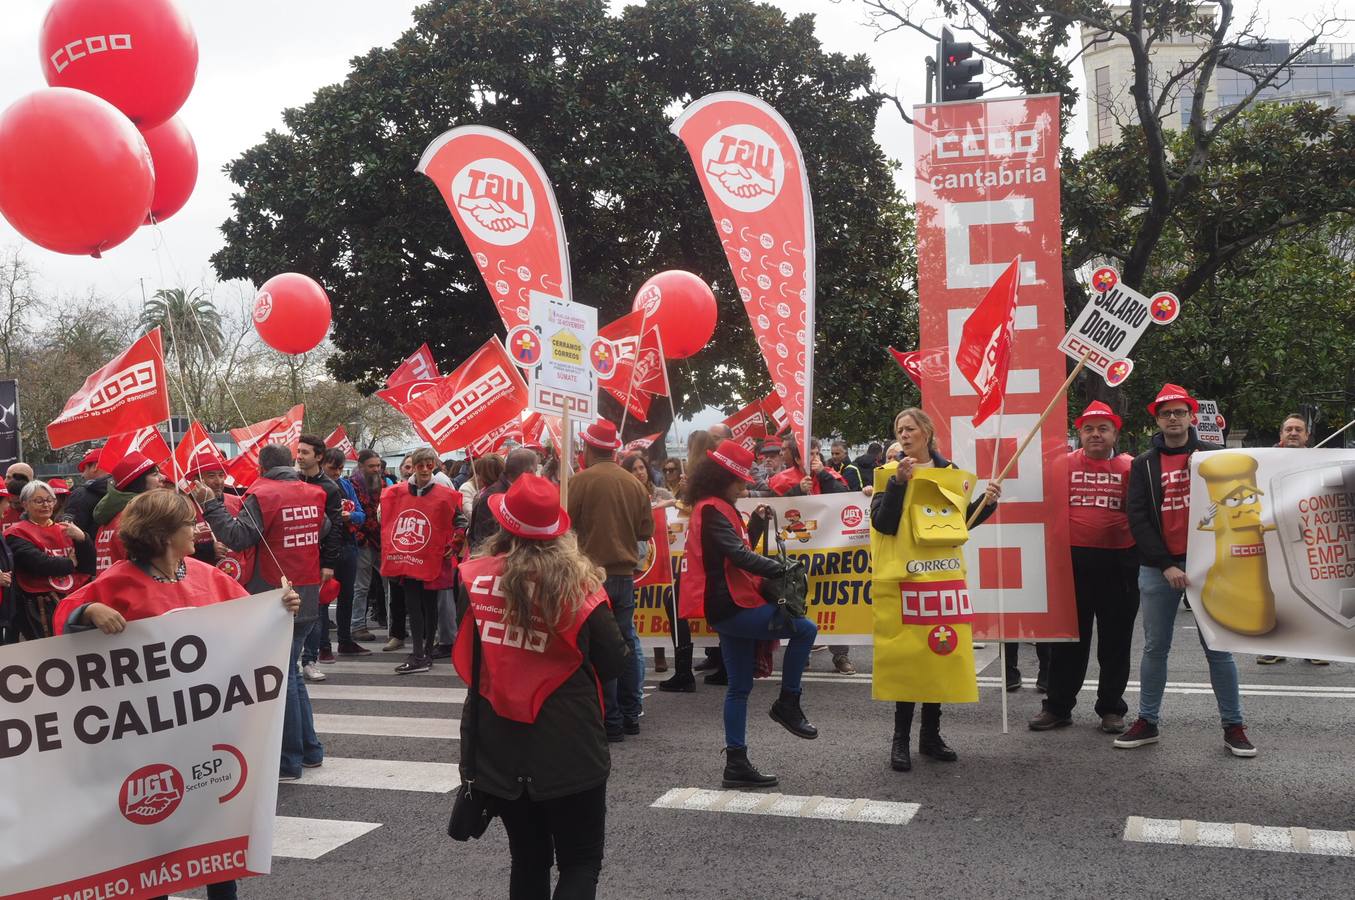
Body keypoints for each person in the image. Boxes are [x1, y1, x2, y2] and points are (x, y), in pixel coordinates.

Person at [53, 489, 301, 900]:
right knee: (156, 838)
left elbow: (248, 620)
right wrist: (89, 612)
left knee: (216, 828)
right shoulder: (117, 580)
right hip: (149, 740)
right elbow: (65, 617)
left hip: (207, 732)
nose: (197, 530)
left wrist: (279, 607)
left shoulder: (206, 575)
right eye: (188, 523)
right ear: (164, 533)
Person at [455, 474, 624, 899]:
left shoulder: (474, 579)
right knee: (580, 862)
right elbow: (614, 661)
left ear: (504, 526)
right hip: (571, 743)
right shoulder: (580, 587)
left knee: (528, 860)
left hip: (499, 742)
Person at [1117, 383, 1256, 757]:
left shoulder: (1215, 457)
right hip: (1159, 569)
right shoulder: (1144, 464)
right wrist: (1165, 565)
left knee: (1218, 649)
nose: (1173, 419)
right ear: (1158, 420)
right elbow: (1138, 518)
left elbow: (1235, 509)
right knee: (1155, 648)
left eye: (1179, 412)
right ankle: (1148, 721)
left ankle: (1234, 725)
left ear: (1191, 416)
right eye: (1166, 414)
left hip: (1208, 568)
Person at [678, 441, 818, 787]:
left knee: (738, 687)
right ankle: (788, 701)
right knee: (805, 630)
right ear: (723, 478)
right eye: (740, 480)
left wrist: (755, 524)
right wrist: (781, 570)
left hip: (728, 605)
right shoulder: (713, 509)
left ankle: (736, 764)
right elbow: (737, 556)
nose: (745, 486)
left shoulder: (716, 507)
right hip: (732, 605)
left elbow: (735, 548)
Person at [870, 407, 1000, 772]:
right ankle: (900, 742)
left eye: (910, 428)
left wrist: (987, 504)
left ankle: (930, 736)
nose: (904, 434)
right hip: (905, 579)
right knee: (909, 658)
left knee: (939, 653)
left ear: (926, 431)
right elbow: (883, 524)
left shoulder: (951, 474)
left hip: (942, 577)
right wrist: (897, 483)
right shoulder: (886, 474)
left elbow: (957, 524)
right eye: (899, 429)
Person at [196, 442, 329, 781]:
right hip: (308, 590)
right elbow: (324, 527)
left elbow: (238, 537)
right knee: (293, 674)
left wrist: (211, 505)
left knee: (282, 678)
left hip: (275, 592)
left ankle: (290, 760)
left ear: (261, 467)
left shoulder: (264, 494)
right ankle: (309, 750)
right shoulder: (312, 492)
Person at [1028, 402, 1139, 734]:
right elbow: (1041, 504)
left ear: (1114, 434)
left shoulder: (1131, 467)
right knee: (1068, 641)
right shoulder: (1061, 465)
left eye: (1103, 428)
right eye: (1089, 429)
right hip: (1070, 564)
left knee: (1115, 642)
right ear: (1079, 433)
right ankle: (1058, 707)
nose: (1095, 434)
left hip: (1119, 564)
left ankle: (1111, 709)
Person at [566, 419, 653, 741]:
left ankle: (611, 721)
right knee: (626, 642)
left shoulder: (578, 482)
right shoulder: (633, 484)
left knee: (599, 648)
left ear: (588, 448)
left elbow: (564, 528)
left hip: (590, 577)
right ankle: (631, 716)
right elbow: (646, 531)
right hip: (624, 576)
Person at [769, 436, 856, 675]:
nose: (815, 458)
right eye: (809, 455)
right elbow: (771, 507)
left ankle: (841, 656)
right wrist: (798, 490)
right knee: (799, 600)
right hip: (797, 554)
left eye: (817, 453)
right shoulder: (782, 480)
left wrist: (824, 477)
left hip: (829, 551)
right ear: (797, 458)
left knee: (835, 598)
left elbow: (847, 498)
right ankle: (802, 652)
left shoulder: (830, 475)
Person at [381, 446, 465, 674]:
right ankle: (419, 652)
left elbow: (460, 521)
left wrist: (456, 542)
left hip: (433, 558)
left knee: (430, 605)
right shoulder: (395, 493)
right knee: (413, 606)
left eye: (430, 465)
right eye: (421, 465)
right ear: (413, 467)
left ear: (435, 465)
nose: (426, 469)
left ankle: (425, 651)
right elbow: (387, 519)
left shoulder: (446, 495)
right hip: (408, 558)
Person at [1257, 414, 1328, 666]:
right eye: (1289, 429)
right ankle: (1276, 645)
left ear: (1307, 436)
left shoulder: (1320, 460)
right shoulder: (1264, 459)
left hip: (1309, 536)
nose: (1294, 433)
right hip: (1274, 535)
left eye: (1299, 429)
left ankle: (1314, 646)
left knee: (1312, 592)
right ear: (1281, 435)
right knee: (1276, 590)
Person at [7, 480, 87, 639]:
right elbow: (39, 563)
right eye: (38, 501)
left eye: (50, 500)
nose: (46, 505)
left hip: (74, 599)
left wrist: (84, 539)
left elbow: (87, 564)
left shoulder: (67, 529)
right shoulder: (15, 532)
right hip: (40, 606)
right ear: (24, 504)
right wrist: (70, 563)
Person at [297, 434, 347, 677]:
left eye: (305, 452)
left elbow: (335, 528)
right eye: (298, 451)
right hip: (293, 558)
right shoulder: (291, 482)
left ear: (318, 456)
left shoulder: (329, 487)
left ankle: (309, 660)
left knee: (314, 611)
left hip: (316, 559)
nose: (299, 456)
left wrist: (328, 563)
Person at [321, 447, 371, 658]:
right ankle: (323, 646)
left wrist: (350, 516)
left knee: (347, 595)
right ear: (322, 463)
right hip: (323, 547)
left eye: (340, 469)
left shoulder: (346, 485)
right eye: (333, 468)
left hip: (348, 545)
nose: (337, 473)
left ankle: (345, 640)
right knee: (323, 597)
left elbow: (361, 514)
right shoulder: (314, 486)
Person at [92, 451, 162, 574]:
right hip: (131, 588)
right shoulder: (136, 516)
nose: (162, 478)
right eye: (155, 474)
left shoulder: (112, 513)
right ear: (138, 481)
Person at [467, 448, 550, 553]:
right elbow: (482, 542)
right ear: (529, 472)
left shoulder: (516, 491)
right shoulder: (491, 498)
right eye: (536, 469)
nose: (536, 475)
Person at [349, 449, 384, 639]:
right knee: (361, 587)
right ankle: (357, 626)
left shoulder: (384, 483)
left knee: (390, 585)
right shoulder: (352, 485)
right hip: (362, 541)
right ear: (361, 466)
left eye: (378, 466)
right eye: (372, 466)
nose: (376, 469)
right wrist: (360, 538)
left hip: (382, 541)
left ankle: (395, 628)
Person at [64, 447, 110, 576]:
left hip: (87, 570)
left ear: (95, 466)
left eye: (84, 469)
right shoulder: (125, 493)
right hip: (115, 565)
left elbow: (69, 532)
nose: (82, 475)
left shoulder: (81, 494)